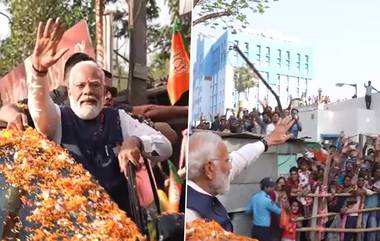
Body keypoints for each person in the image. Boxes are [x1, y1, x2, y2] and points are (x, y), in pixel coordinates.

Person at [26, 18, 172, 216]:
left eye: (95, 85)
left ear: (104, 92)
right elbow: (38, 108)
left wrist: (136, 141)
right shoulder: (58, 119)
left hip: (120, 227)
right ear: (69, 92)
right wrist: (38, 71)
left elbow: (164, 146)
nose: (88, 91)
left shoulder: (119, 119)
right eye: (80, 86)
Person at [186, 116, 294, 231]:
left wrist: (267, 141)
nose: (231, 166)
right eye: (227, 161)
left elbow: (241, 158)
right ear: (209, 169)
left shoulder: (210, 179)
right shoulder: (190, 217)